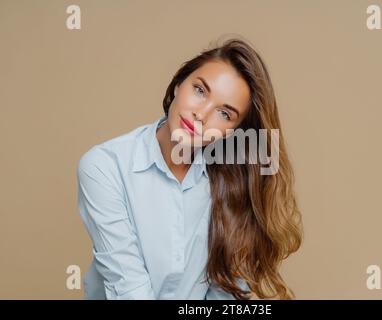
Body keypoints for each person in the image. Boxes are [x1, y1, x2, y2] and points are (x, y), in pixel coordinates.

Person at [77, 37, 303, 300]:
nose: (202, 115)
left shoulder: (229, 184)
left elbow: (224, 294)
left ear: (232, 133)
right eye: (200, 90)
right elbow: (130, 289)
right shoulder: (105, 166)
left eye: (225, 113)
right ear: (178, 85)